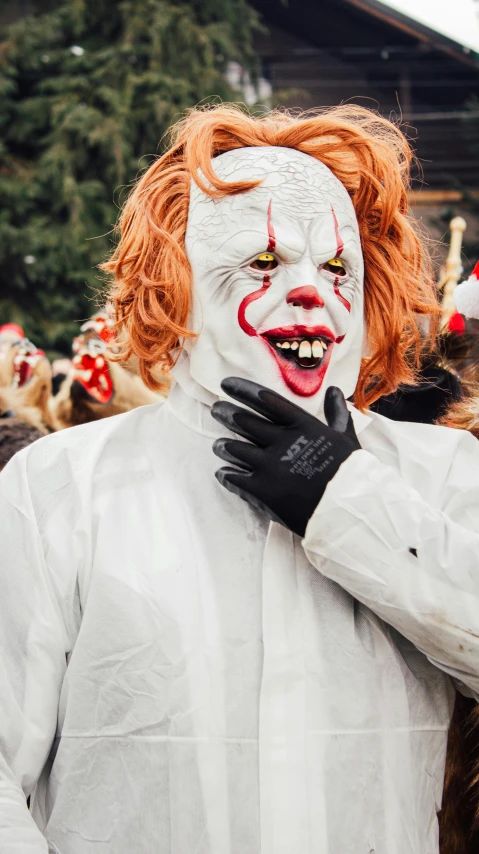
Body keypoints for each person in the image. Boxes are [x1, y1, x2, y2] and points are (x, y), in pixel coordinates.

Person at [1, 104, 479, 854]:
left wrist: (350, 505)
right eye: (262, 261)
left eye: (334, 267)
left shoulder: (445, 478)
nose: (308, 291)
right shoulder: (60, 488)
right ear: (174, 282)